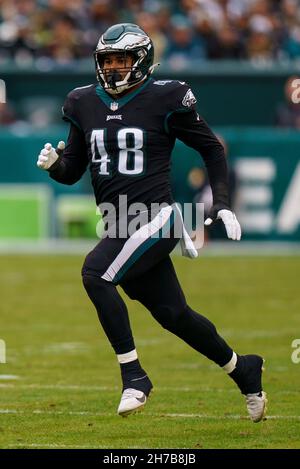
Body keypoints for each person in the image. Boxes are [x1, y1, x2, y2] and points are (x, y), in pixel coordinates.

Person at [37, 23, 267, 422]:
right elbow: (74, 170)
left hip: (156, 218)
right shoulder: (81, 102)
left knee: (95, 273)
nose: (112, 68)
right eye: (106, 61)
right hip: (116, 222)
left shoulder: (166, 97)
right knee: (174, 315)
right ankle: (243, 369)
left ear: (141, 60)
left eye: (121, 60)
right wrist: (56, 165)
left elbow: (211, 149)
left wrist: (223, 202)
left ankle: (135, 377)